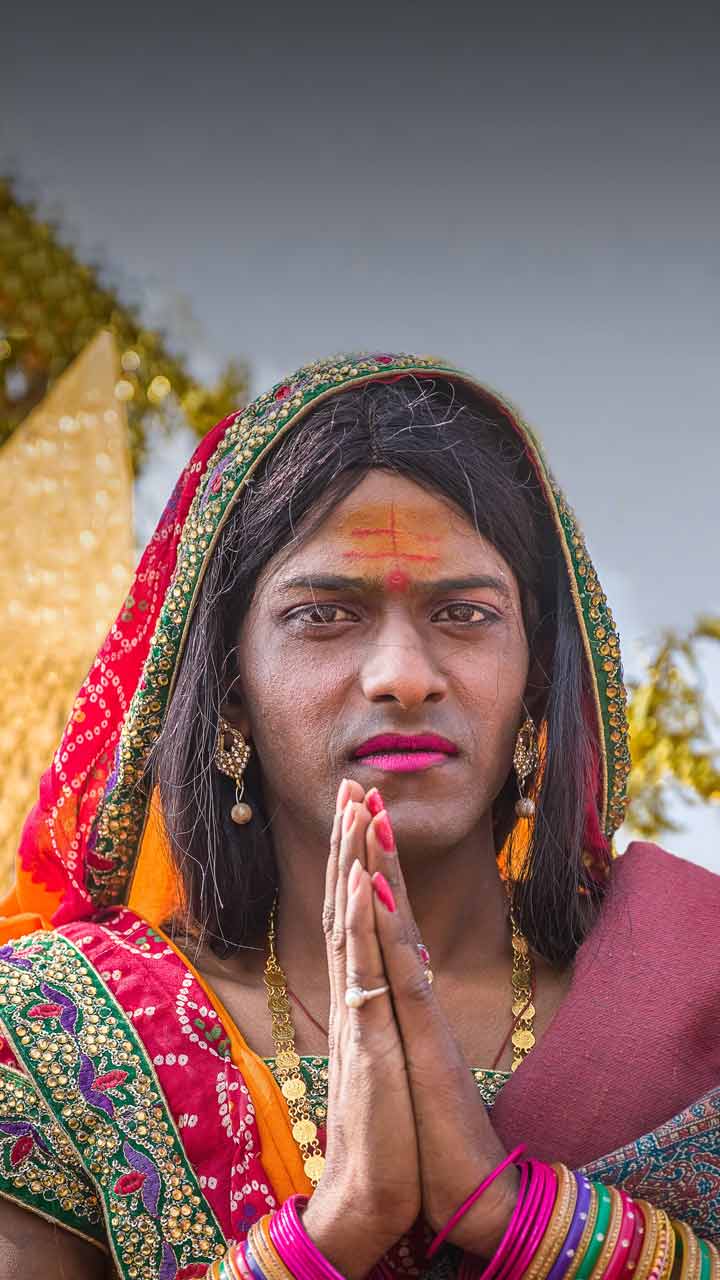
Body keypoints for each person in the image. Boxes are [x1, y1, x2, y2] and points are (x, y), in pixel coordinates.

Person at [0, 352, 717, 1280]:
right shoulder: (57, 1032)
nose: (403, 677)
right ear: (229, 687)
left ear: (537, 676)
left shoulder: (693, 987)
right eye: (324, 615)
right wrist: (336, 1227)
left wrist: (520, 1218)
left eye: (464, 613)